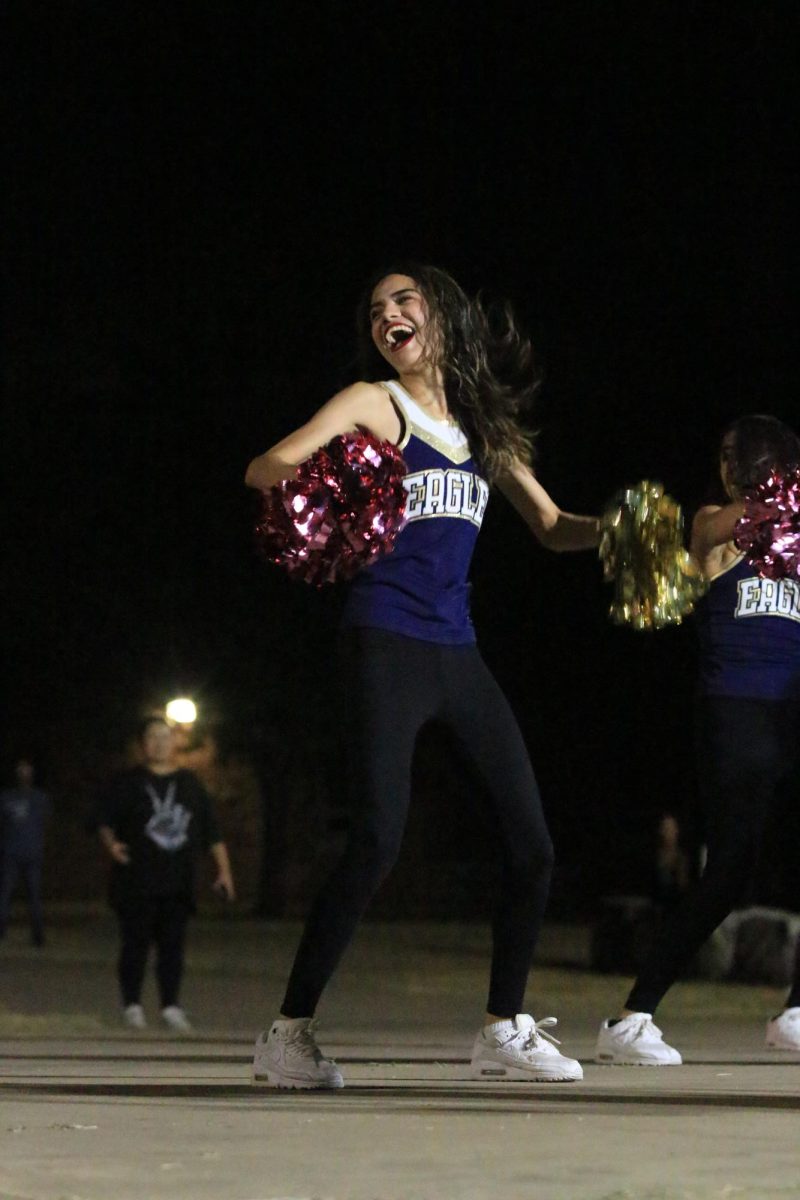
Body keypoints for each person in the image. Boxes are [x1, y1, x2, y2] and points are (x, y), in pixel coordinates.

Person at [245, 263, 600, 1088]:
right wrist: (322, 487)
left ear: (444, 316)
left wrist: (623, 533)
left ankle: (502, 1027)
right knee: (377, 838)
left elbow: (550, 527)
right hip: (385, 639)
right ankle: (287, 1033)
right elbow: (267, 465)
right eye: (375, 309)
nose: (387, 316)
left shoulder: (483, 421)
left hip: (457, 649)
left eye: (404, 302)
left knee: (533, 844)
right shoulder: (377, 401)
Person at [596, 414, 800, 1065]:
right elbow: (713, 532)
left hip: (789, 712)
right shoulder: (716, 525)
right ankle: (631, 1018)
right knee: (729, 874)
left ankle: (795, 1012)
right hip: (734, 711)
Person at [96, 715, 235, 1031]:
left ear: (174, 742)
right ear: (144, 744)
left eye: (164, 736)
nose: (159, 742)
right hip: (136, 880)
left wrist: (224, 871)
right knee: (135, 944)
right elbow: (103, 819)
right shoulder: (128, 782)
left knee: (173, 946)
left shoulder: (190, 784)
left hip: (177, 881)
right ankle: (132, 1005)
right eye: (152, 737)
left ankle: (170, 1005)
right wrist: (111, 845)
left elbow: (212, 831)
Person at [0, 758, 51, 946]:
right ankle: (37, 935)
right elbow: (45, 823)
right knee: (31, 894)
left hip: (15, 850)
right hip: (27, 850)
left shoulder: (7, 798)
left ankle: (6, 930)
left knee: (8, 892)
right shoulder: (39, 798)